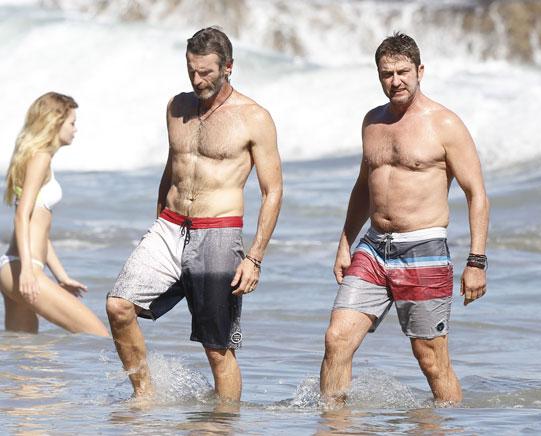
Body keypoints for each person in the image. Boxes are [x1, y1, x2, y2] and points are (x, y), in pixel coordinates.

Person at [106, 27, 283, 401]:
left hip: (218, 233)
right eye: (192, 71)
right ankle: (144, 396)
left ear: (228, 67)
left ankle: (223, 425)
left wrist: (254, 257)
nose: (198, 79)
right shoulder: (176, 107)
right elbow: (171, 169)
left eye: (206, 72)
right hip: (169, 227)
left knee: (216, 349)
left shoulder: (254, 118)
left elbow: (273, 191)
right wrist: (157, 221)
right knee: (118, 306)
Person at [319, 33, 489, 404]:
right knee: (337, 339)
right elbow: (365, 185)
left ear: (419, 71)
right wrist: (346, 240)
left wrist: (476, 261)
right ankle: (333, 424)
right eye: (386, 73)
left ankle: (448, 425)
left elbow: (476, 193)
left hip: (423, 248)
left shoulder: (444, 124)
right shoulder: (372, 123)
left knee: (430, 358)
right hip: (374, 247)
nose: (394, 80)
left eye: (402, 72)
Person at [0, 92, 109, 336]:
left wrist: (61, 276)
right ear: (55, 122)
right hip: (23, 269)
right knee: (99, 336)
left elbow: (37, 229)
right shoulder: (41, 158)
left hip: (13, 268)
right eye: (72, 123)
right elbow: (21, 215)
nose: (75, 129)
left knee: (26, 358)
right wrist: (29, 270)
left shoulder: (32, 157)